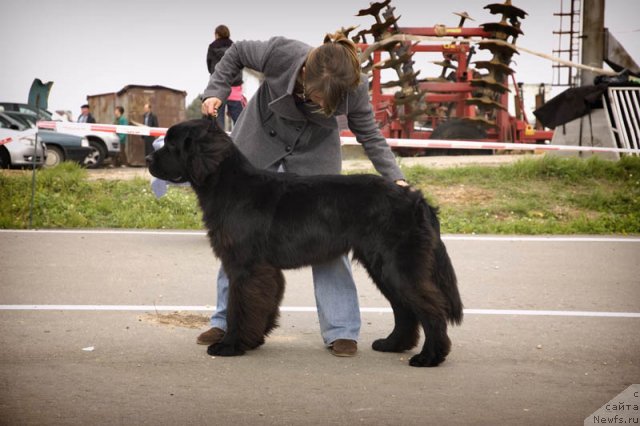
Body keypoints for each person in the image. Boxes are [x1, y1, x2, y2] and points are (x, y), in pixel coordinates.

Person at [199, 32, 409, 358]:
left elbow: (369, 133)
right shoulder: (281, 53)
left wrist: (395, 178)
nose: (322, 106)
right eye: (315, 97)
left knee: (331, 240)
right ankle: (225, 321)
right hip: (259, 144)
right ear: (303, 74)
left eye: (329, 103)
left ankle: (341, 329)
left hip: (314, 158)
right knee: (237, 239)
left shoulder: (355, 86)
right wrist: (216, 91)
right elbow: (237, 51)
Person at [206, 25, 244, 128]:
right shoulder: (235, 47)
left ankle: (219, 141)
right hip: (235, 86)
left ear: (217, 34)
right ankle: (240, 141)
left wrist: (215, 77)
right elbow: (241, 65)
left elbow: (209, 66)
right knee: (239, 119)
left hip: (218, 87)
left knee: (218, 120)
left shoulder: (212, 47)